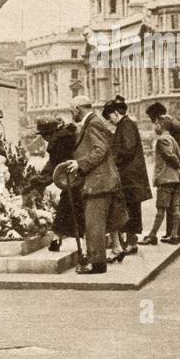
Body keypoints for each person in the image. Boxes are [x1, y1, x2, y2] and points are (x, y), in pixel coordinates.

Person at [62, 95, 126, 275]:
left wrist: (80, 164)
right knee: (93, 224)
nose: (70, 113)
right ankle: (96, 261)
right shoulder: (92, 122)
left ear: (77, 108)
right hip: (98, 182)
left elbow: (101, 149)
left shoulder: (93, 123)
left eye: (71, 110)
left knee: (94, 224)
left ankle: (97, 264)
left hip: (99, 182)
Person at [104, 96, 152, 257]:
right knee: (130, 209)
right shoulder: (126, 125)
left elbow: (127, 149)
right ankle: (130, 241)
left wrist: (112, 160)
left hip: (130, 176)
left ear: (116, 113)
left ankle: (131, 243)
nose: (110, 120)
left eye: (110, 116)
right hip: (130, 176)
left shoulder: (126, 125)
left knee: (130, 209)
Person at [146, 101, 180, 238]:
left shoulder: (171, 126)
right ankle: (172, 232)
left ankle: (178, 233)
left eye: (154, 120)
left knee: (177, 202)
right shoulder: (174, 123)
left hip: (174, 168)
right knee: (173, 202)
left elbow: (177, 150)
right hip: (177, 167)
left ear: (158, 117)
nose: (154, 123)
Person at [34, 116, 82, 251]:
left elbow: (55, 164)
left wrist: (41, 179)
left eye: (43, 135)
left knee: (66, 207)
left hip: (73, 179)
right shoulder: (66, 136)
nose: (44, 138)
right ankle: (57, 239)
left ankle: (57, 239)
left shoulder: (58, 142)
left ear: (47, 134)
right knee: (69, 208)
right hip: (76, 178)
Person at [142, 116, 180, 244]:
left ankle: (152, 236)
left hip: (166, 178)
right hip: (176, 178)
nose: (154, 127)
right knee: (176, 207)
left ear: (160, 125)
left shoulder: (162, 139)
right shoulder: (172, 139)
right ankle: (174, 235)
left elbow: (171, 157)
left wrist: (176, 164)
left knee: (161, 208)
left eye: (156, 124)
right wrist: (179, 170)